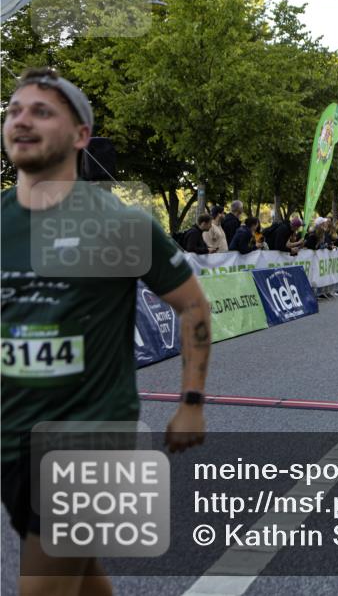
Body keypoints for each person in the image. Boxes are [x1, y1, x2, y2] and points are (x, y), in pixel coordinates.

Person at [1, 67, 210, 595]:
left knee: (43, 587)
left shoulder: (118, 224)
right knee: (82, 575)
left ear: (81, 136)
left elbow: (193, 308)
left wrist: (191, 399)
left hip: (90, 434)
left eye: (42, 112)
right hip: (12, 435)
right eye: (14, 110)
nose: (22, 120)